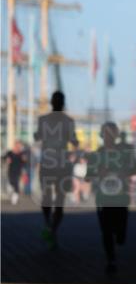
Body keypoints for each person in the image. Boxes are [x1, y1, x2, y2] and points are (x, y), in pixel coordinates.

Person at [87, 122, 136, 274]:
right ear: (102, 135)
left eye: (112, 133)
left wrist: (125, 173)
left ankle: (120, 236)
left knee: (120, 233)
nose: (109, 137)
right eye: (106, 133)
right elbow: (88, 176)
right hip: (103, 198)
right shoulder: (97, 154)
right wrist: (98, 173)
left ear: (116, 135)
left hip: (121, 197)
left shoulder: (125, 153)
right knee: (106, 231)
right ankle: (111, 260)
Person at [35, 91, 79, 249]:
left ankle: (49, 226)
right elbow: (74, 141)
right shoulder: (69, 121)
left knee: (48, 197)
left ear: (51, 102)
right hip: (60, 164)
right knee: (59, 201)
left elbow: (37, 137)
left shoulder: (43, 120)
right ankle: (52, 230)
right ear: (63, 103)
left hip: (49, 164)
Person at [4, 140, 27, 205]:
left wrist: (24, 159)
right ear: (15, 145)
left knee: (16, 183)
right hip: (10, 170)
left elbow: (25, 162)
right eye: (17, 145)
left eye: (19, 146)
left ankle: (15, 197)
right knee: (11, 182)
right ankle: (12, 190)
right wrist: (7, 159)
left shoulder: (22, 153)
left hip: (18, 171)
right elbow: (5, 158)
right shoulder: (10, 152)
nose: (18, 147)